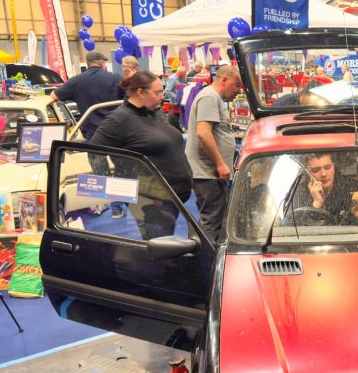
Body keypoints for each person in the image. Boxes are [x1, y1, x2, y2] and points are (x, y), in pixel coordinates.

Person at [90, 71, 192, 239]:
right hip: (150, 198)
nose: (162, 96)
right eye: (158, 92)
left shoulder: (154, 112)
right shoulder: (118, 119)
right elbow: (95, 153)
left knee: (166, 243)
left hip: (172, 195)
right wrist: (113, 189)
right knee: (160, 248)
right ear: (140, 92)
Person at [186, 65, 243, 242]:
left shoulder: (213, 97)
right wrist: (220, 163)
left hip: (210, 173)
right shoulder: (210, 97)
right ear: (224, 79)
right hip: (207, 172)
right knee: (212, 222)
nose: (238, 90)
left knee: (213, 219)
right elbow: (203, 133)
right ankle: (206, 263)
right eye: (237, 84)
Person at [52, 50, 123, 140]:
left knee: (95, 152)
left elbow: (54, 96)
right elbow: (129, 98)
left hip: (93, 132)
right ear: (102, 63)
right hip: (115, 129)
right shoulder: (115, 78)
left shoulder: (76, 80)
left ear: (88, 63)